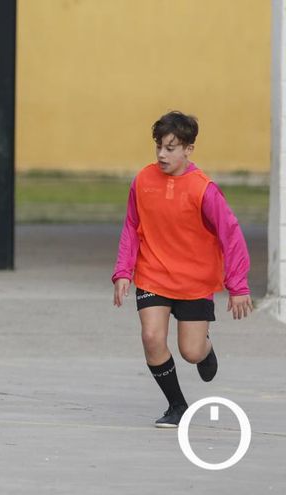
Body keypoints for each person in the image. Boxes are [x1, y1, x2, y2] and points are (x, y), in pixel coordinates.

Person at [112, 111, 253, 427]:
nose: (162, 154)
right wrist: (123, 271)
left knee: (190, 351)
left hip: (194, 281)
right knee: (151, 336)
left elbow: (231, 235)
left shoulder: (204, 189)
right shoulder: (143, 181)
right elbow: (131, 226)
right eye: (159, 147)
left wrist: (238, 285)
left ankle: (205, 348)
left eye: (171, 148)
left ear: (189, 149)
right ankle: (177, 407)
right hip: (153, 274)